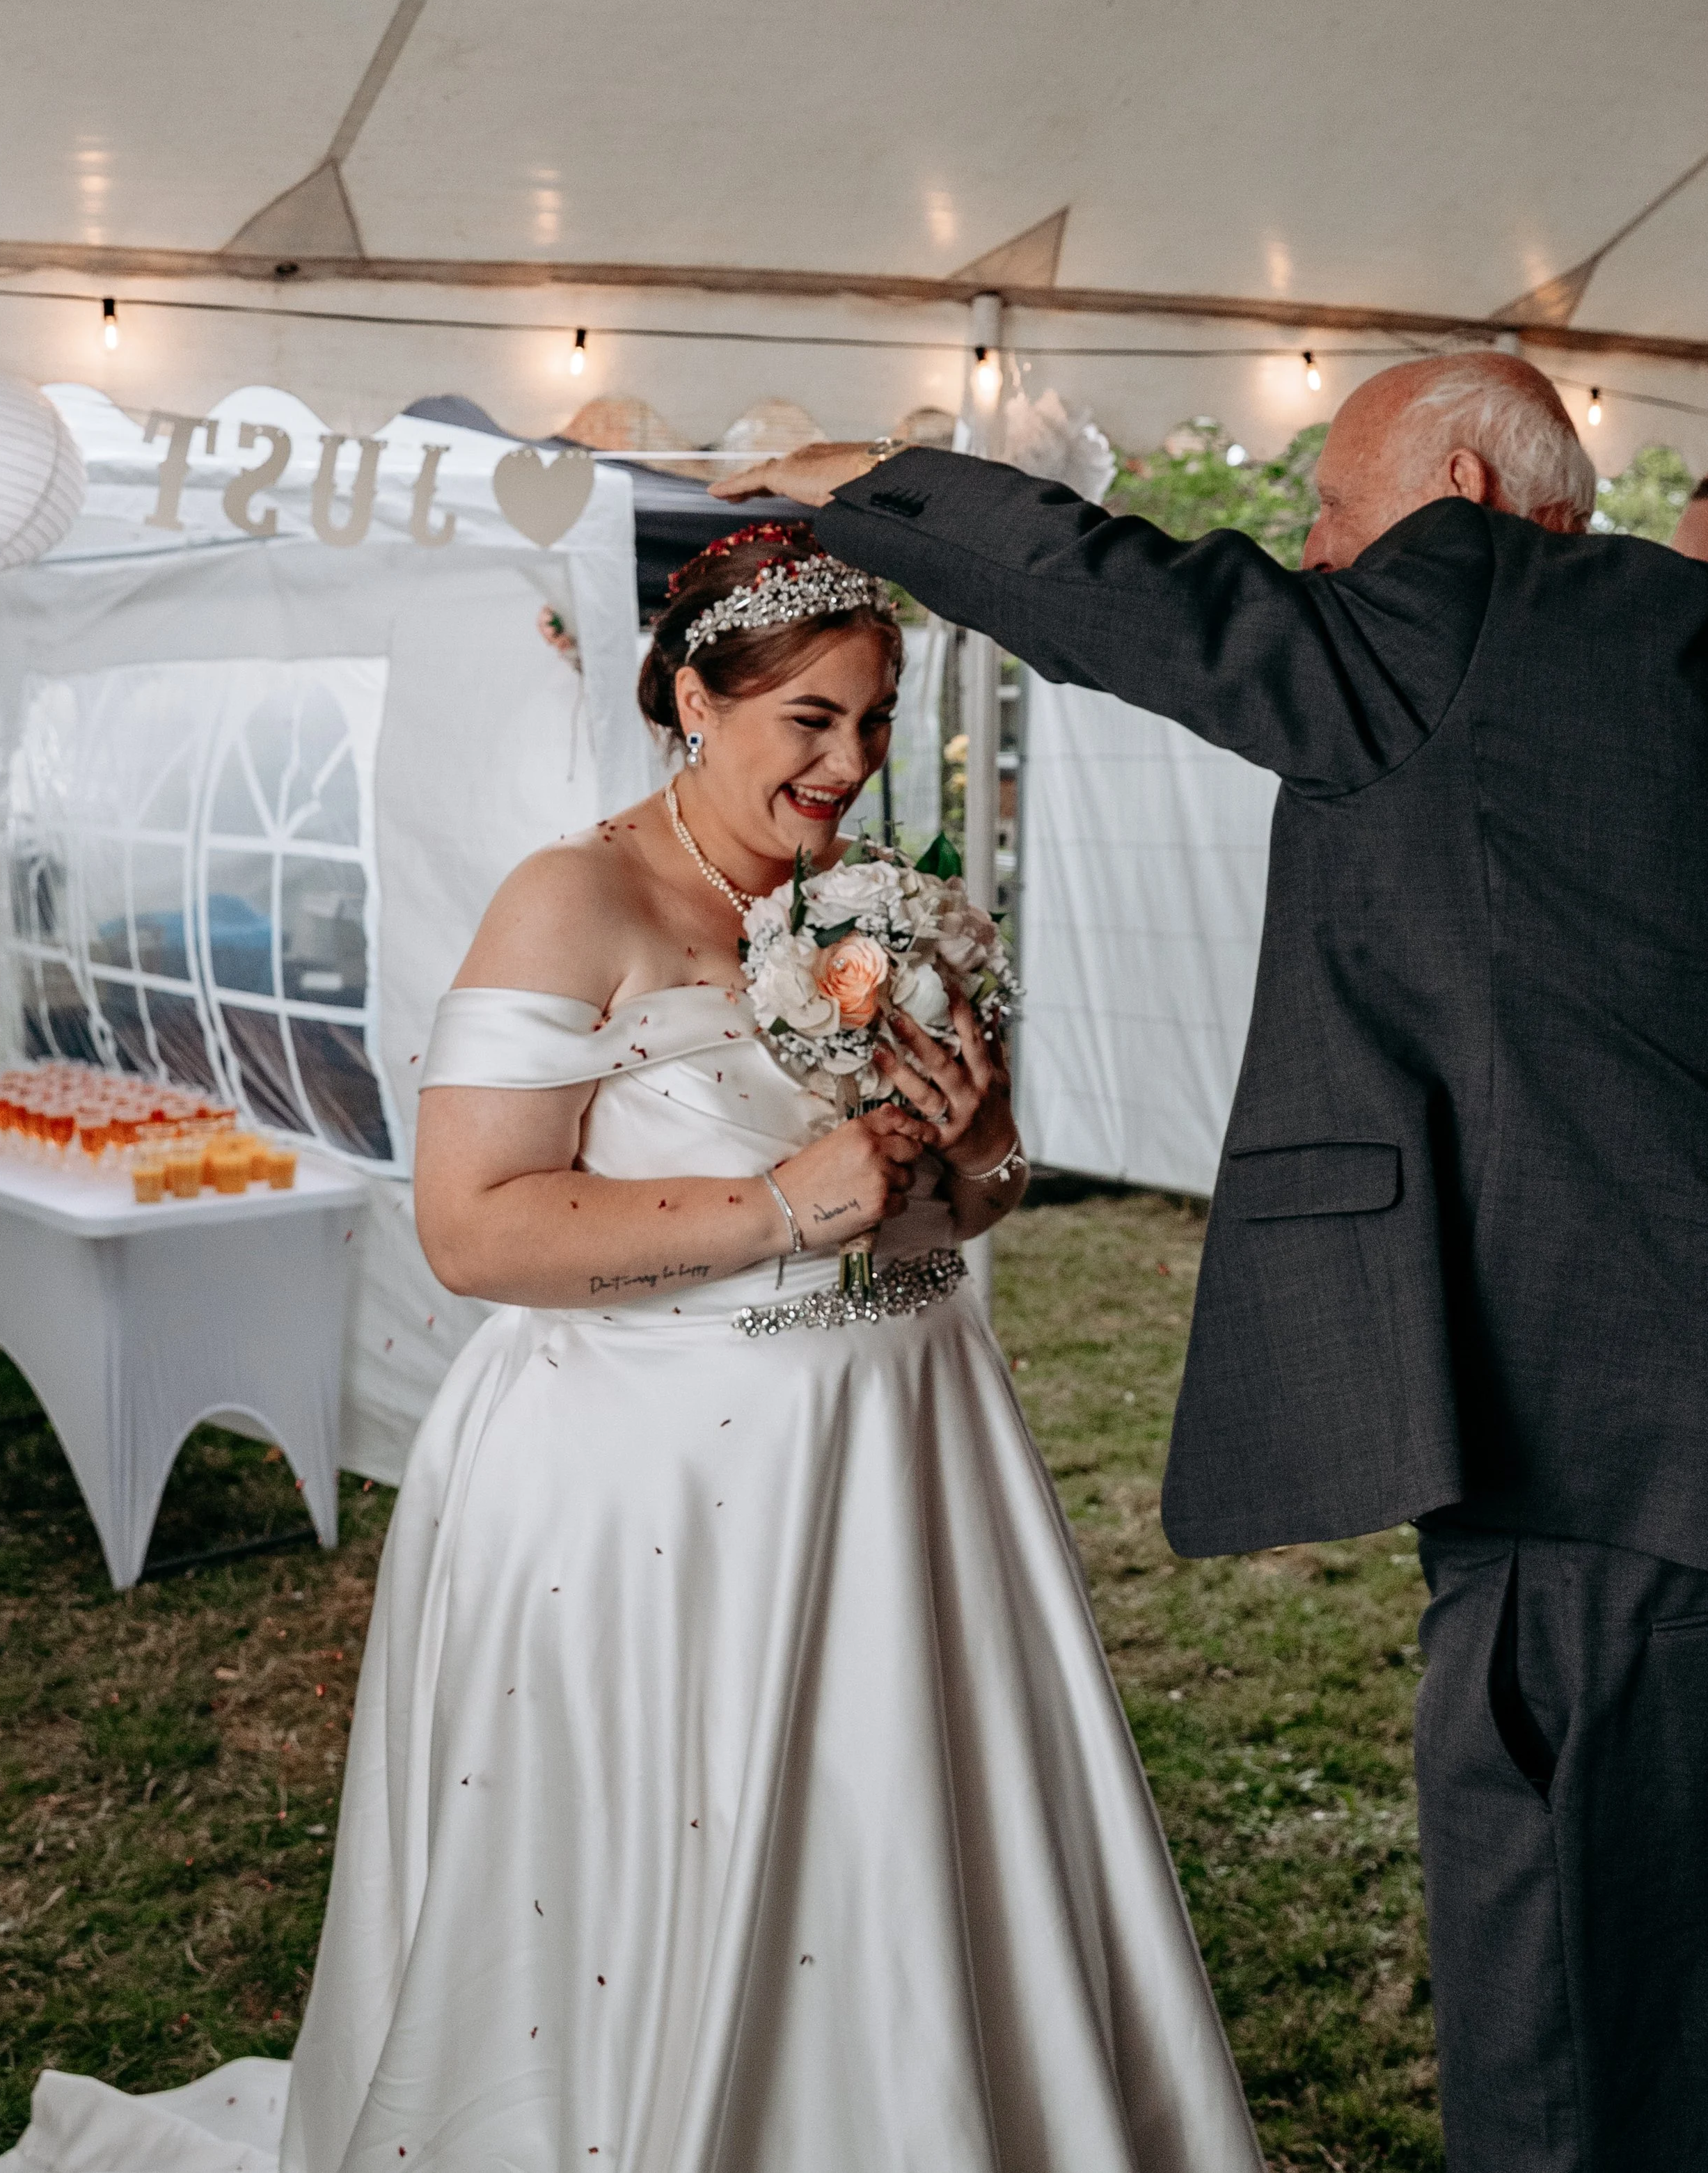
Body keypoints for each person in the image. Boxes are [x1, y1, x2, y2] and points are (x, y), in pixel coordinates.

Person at [0, 526, 1262, 2173]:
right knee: (648, 1869)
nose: (848, 763)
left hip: (902, 1461)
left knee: (900, 1849)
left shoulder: (896, 909)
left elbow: (968, 1197)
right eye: (808, 718)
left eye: (872, 722)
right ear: (686, 698)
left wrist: (984, 1149)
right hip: (641, 1501)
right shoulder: (569, 900)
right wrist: (781, 1206)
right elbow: (474, 1227)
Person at [713, 356, 1708, 2172]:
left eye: (1335, 525)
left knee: (1561, 1999)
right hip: (1652, 1411)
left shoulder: (1477, 609)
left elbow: (1166, 610)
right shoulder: (1655, 642)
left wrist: (882, 481)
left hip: (1606, 1451)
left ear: (1469, 514)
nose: (1315, 564)